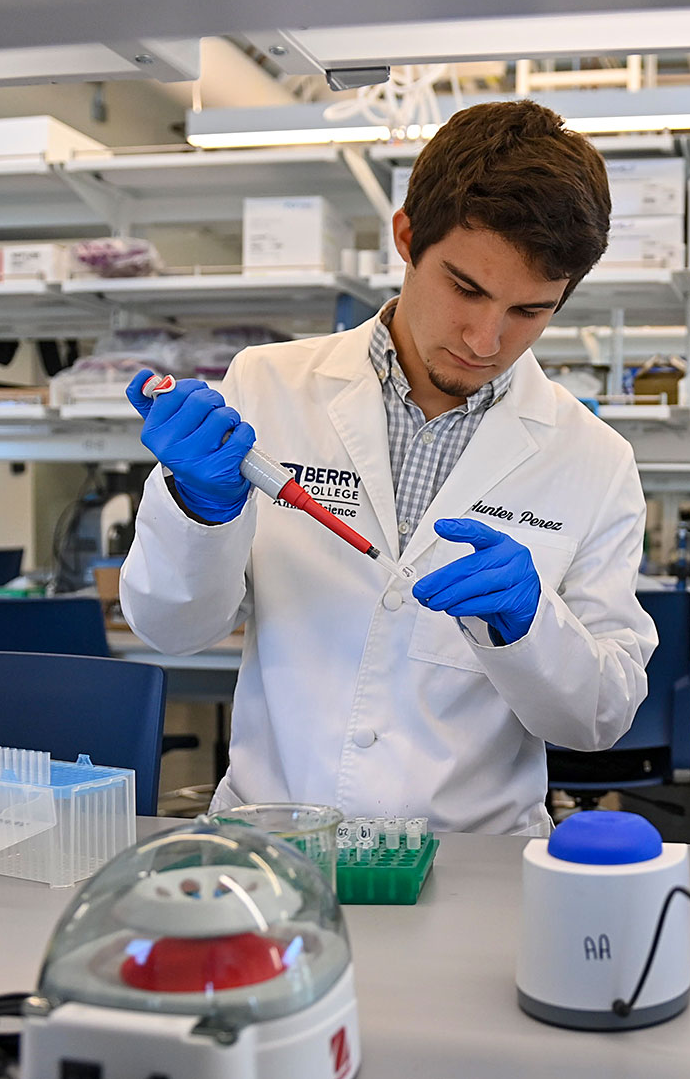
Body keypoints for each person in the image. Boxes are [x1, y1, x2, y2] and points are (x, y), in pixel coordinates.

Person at [120, 101, 657, 836]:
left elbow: (599, 717)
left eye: (530, 310)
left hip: (472, 863)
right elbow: (168, 629)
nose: (485, 338)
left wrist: (535, 627)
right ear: (406, 236)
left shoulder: (593, 457)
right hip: (276, 840)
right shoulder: (268, 387)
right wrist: (197, 510)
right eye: (466, 288)